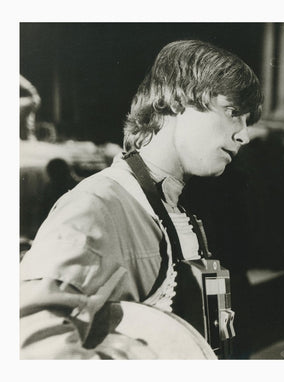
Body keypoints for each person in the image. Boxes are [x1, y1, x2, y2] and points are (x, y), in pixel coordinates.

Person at [19, 40, 263, 359]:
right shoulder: (99, 205)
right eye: (233, 113)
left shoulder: (172, 209)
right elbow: (31, 349)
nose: (243, 135)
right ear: (178, 98)